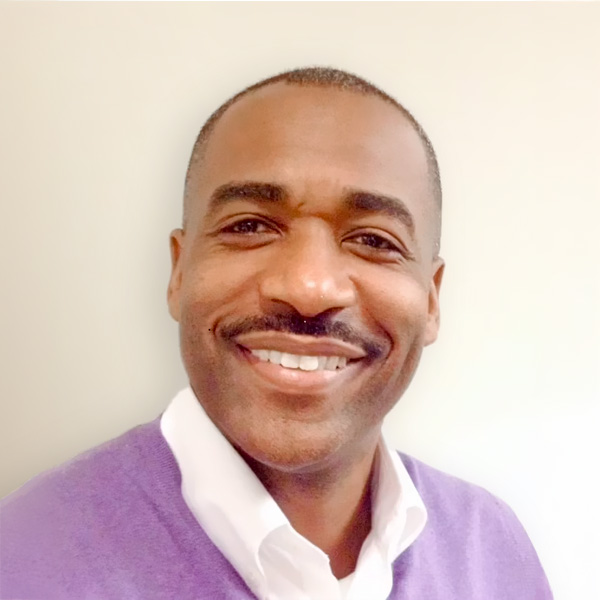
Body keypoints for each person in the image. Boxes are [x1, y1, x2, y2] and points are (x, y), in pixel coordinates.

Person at [0, 67, 552, 600]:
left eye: (374, 240)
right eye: (250, 226)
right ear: (179, 272)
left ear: (431, 300)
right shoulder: (24, 559)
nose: (310, 288)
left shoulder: (493, 554)